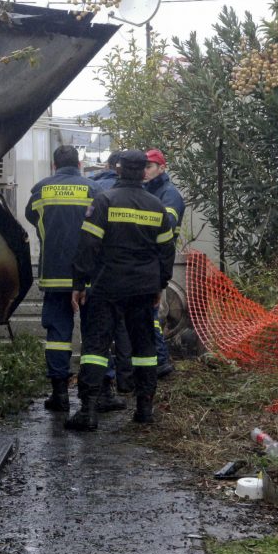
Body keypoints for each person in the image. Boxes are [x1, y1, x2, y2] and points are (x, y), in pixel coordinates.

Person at [67, 149, 176, 429]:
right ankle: (144, 410)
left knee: (95, 347)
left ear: (118, 170)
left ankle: (88, 412)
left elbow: (87, 245)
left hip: (107, 286)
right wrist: (160, 285)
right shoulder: (156, 206)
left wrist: (79, 283)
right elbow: (166, 251)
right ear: (142, 173)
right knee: (145, 349)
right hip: (143, 289)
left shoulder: (104, 201)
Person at [25, 146, 125, 414]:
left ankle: (59, 395)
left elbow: (31, 216)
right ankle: (103, 391)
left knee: (57, 334)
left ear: (54, 165)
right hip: (91, 275)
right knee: (97, 333)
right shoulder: (94, 190)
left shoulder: (41, 190)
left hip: (55, 274)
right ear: (80, 165)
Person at [144, 148, 186, 378]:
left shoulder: (169, 194)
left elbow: (164, 227)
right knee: (149, 315)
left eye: (149, 166)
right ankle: (157, 361)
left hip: (156, 262)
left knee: (152, 315)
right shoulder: (152, 191)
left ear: (162, 168)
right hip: (150, 262)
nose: (145, 171)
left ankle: (160, 361)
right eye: (143, 167)